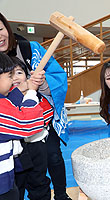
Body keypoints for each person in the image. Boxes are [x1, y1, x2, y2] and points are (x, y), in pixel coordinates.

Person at [0, 13, 71, 200]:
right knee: (16, 181)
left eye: (0, 29)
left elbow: (58, 77)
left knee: (51, 161)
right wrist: (26, 88)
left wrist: (43, 85)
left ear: (7, 28)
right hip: (10, 135)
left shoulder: (30, 49)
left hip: (41, 125)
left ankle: (62, 195)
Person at [0, 52, 44, 200]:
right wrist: (31, 92)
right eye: (9, 76)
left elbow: (10, 103)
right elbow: (27, 123)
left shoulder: (3, 101)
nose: (13, 80)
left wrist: (28, 85)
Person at [11, 57, 53, 200]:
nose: (15, 78)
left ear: (26, 74)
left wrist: (33, 87)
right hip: (16, 151)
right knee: (17, 186)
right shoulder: (5, 100)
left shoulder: (36, 95)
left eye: (19, 72)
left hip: (36, 146)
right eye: (9, 74)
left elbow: (44, 118)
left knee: (39, 183)